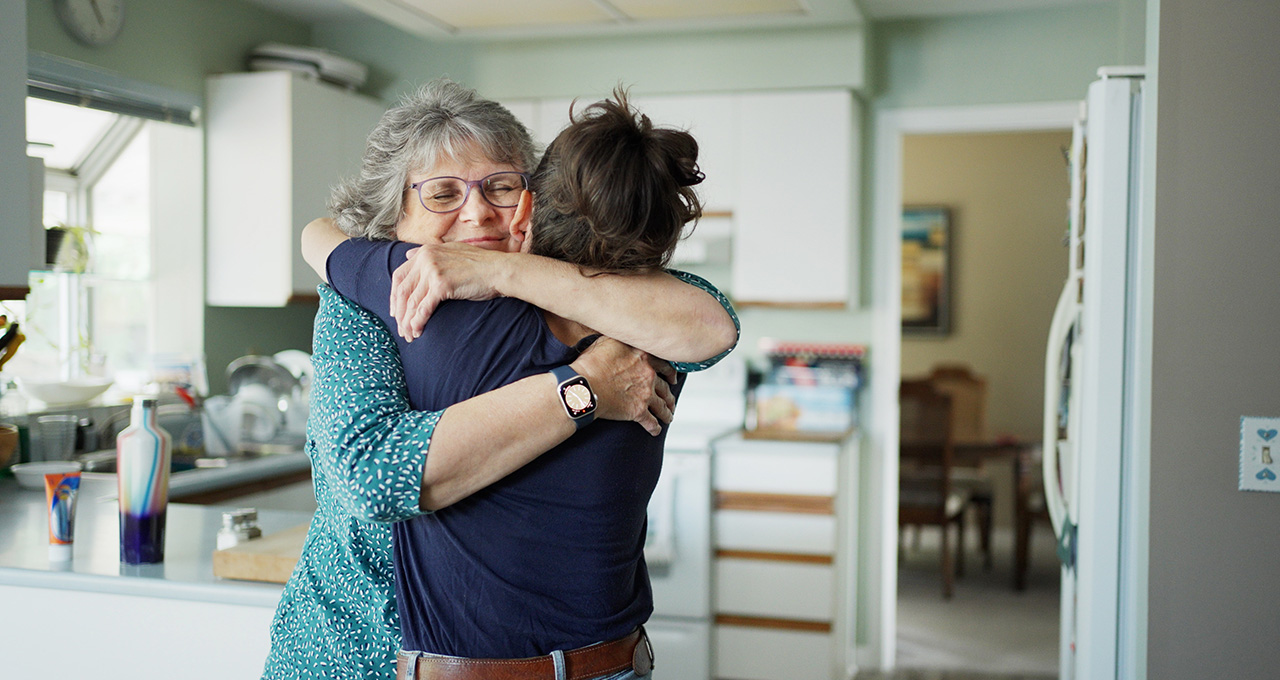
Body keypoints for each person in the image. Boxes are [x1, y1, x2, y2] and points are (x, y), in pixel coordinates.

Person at [262, 80, 737, 680]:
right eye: (441, 194)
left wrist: (499, 269)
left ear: (536, 199)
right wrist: (584, 387)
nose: (479, 211)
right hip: (356, 650)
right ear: (394, 217)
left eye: (502, 186)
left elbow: (709, 322)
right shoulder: (369, 302)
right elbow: (373, 475)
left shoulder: (610, 298)